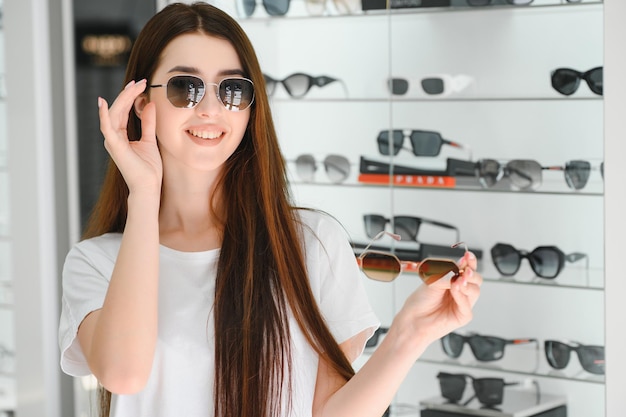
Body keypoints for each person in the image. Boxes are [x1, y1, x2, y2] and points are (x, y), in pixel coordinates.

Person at [58, 3, 482, 417]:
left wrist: (412, 332)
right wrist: (144, 193)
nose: (210, 109)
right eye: (185, 87)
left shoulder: (309, 243)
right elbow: (124, 375)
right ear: (140, 102)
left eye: (232, 89)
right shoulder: (98, 262)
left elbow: (330, 412)